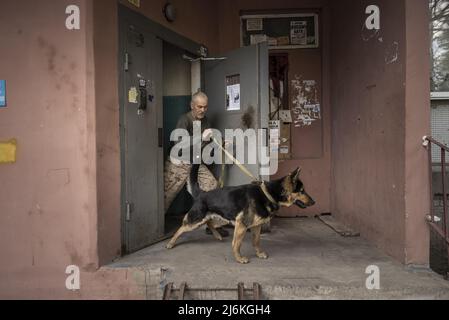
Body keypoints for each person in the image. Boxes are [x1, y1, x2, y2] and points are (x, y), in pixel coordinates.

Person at [164, 92, 229, 237]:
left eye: (205, 107)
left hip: (195, 162)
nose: (203, 110)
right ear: (192, 105)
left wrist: (222, 142)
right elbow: (178, 144)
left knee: (212, 186)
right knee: (165, 194)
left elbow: (208, 141)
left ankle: (213, 226)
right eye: (199, 107)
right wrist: (201, 136)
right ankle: (153, 226)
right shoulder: (184, 120)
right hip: (178, 162)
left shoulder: (205, 121)